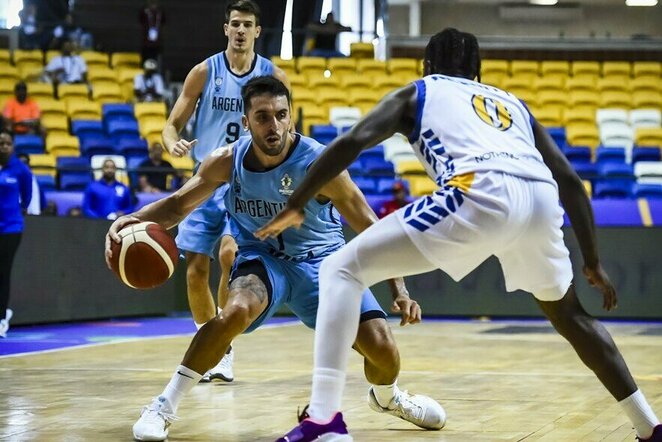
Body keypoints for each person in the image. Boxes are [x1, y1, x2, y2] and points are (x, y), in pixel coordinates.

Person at [258, 29, 662, 442]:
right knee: (571, 315)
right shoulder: (512, 103)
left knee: (340, 269)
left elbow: (352, 141)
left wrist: (297, 202)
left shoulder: (419, 91)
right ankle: (650, 427)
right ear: (477, 71)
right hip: (540, 200)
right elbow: (572, 182)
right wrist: (592, 261)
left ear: (427, 66)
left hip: (478, 191)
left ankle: (324, 420)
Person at [105, 76, 444, 442]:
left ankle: (388, 397)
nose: (274, 125)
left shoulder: (320, 163)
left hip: (324, 263)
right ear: (247, 121)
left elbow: (370, 226)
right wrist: (135, 219)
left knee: (383, 349)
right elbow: (177, 206)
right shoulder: (226, 161)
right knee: (235, 311)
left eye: (281, 115)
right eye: (263, 117)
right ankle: (163, 405)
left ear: (291, 117)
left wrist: (400, 289)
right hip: (263, 258)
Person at [160, 0, 288, 382]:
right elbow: (172, 124)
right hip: (206, 176)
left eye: (247, 24)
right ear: (226, 28)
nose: (240, 30)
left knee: (230, 254)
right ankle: (217, 346)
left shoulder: (272, 75)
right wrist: (173, 144)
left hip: (247, 176)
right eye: (235, 23)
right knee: (196, 268)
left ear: (257, 31)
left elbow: (287, 127)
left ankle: (222, 340)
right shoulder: (204, 71)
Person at [0, 131, 32, 338]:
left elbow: (27, 197)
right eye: (0, 143)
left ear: (13, 146)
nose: (3, 147)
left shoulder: (20, 170)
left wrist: (18, 211)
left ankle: (2, 317)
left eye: (7, 143)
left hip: (11, 228)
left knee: (3, 272)